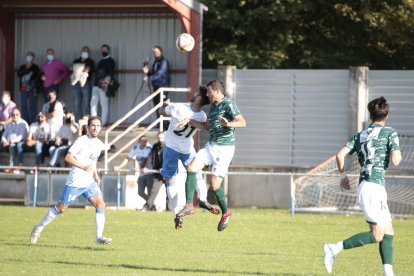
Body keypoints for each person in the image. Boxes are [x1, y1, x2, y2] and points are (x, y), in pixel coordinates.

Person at [323, 97, 402, 276]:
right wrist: (393, 151)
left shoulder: (360, 135)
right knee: (377, 235)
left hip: (371, 187)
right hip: (372, 189)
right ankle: (333, 248)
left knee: (388, 231)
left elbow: (340, 155)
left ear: (370, 116)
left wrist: (343, 176)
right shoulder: (390, 132)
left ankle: (388, 274)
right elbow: (396, 160)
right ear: (386, 115)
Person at [175, 80, 247, 231]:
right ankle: (188, 205)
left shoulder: (228, 104)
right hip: (211, 146)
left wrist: (228, 124)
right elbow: (206, 126)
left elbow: (242, 122)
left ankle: (226, 213)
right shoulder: (213, 107)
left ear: (217, 91)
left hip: (225, 149)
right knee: (191, 167)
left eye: (209, 92)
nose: (206, 94)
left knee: (214, 185)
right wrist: (190, 121)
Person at [30, 116, 112, 245]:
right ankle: (38, 228)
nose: (95, 128)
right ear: (88, 127)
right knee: (61, 208)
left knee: (100, 204)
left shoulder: (99, 144)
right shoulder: (82, 140)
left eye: (98, 126)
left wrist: (95, 175)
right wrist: (83, 166)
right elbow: (68, 158)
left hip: (89, 181)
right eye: (93, 125)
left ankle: (99, 237)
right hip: (76, 181)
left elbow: (93, 161)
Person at [158, 86, 219, 228]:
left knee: (170, 180)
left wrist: (166, 105)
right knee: (196, 174)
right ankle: (203, 199)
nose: (193, 93)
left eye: (196, 93)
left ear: (198, 98)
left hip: (171, 147)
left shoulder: (178, 107)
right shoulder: (202, 116)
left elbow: (161, 112)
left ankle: (176, 214)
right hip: (187, 149)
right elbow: (205, 126)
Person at [114, 135, 153, 211]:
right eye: (142, 141)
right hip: (141, 174)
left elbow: (150, 160)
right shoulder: (136, 148)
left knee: (150, 193)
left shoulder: (150, 148)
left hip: (149, 173)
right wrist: (119, 167)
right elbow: (127, 158)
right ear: (139, 142)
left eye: (146, 141)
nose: (144, 143)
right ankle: (153, 205)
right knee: (140, 192)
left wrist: (145, 168)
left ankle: (149, 206)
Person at [91, 44, 115, 127]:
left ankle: (103, 122)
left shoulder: (111, 60)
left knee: (103, 104)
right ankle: (93, 122)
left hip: (103, 86)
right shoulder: (101, 61)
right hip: (96, 85)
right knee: (93, 103)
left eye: (105, 49)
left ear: (108, 50)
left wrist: (105, 82)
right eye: (102, 49)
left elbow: (110, 73)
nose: (103, 51)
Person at [1, 108, 29, 173]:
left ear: (20, 115)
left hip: (18, 143)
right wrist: (5, 141)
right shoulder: (9, 124)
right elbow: (4, 135)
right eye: (13, 115)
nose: (15, 116)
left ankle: (11, 166)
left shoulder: (23, 123)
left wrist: (10, 141)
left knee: (12, 145)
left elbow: (21, 137)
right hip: (7, 143)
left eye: (17, 114)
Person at [143, 45, 170, 111]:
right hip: (156, 87)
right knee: (156, 105)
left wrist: (149, 78)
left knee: (163, 106)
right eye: (154, 52)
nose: (156, 53)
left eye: (157, 52)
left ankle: (164, 121)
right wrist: (148, 71)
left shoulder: (164, 61)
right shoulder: (156, 62)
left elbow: (160, 73)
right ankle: (159, 121)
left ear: (161, 52)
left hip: (163, 87)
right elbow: (153, 72)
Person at [70, 46, 94, 120]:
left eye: (86, 51)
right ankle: (78, 119)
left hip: (85, 83)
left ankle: (87, 119)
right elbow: (71, 68)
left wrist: (78, 68)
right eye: (84, 51)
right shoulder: (76, 60)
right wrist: (80, 68)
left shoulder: (90, 61)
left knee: (87, 102)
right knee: (77, 102)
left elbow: (87, 69)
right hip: (76, 82)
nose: (85, 53)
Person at [17, 51, 41, 124]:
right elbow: (19, 75)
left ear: (33, 58)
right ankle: (25, 121)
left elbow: (37, 77)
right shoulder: (22, 67)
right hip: (23, 89)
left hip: (31, 89)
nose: (29, 57)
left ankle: (33, 122)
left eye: (30, 56)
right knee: (24, 105)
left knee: (32, 105)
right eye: (28, 56)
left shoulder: (35, 67)